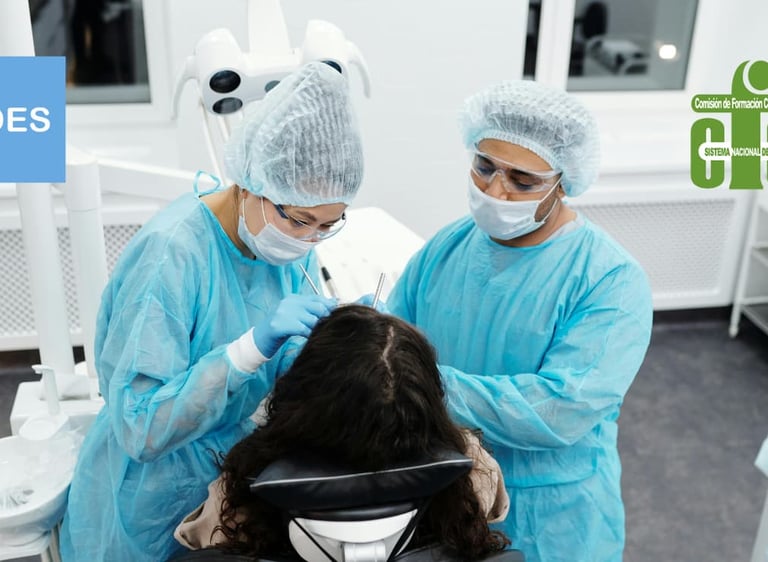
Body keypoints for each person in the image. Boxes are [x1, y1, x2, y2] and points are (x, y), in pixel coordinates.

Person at [60, 61, 364, 562]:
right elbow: (140, 427)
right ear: (251, 183)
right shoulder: (171, 256)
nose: (310, 239)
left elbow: (284, 365)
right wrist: (245, 352)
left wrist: (333, 340)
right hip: (148, 499)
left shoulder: (287, 240)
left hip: (228, 480)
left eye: (327, 225)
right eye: (301, 220)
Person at [386, 79, 653, 562]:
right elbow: (392, 338)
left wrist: (426, 386)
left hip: (549, 515)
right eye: (484, 166)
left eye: (522, 181)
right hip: (446, 488)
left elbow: (559, 410)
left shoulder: (609, 279)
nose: (495, 190)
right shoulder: (449, 246)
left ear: (563, 182)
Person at [172, 305, 511, 560]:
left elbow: (206, 542)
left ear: (302, 394)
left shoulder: (252, 479)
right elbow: (490, 511)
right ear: (429, 400)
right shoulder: (468, 466)